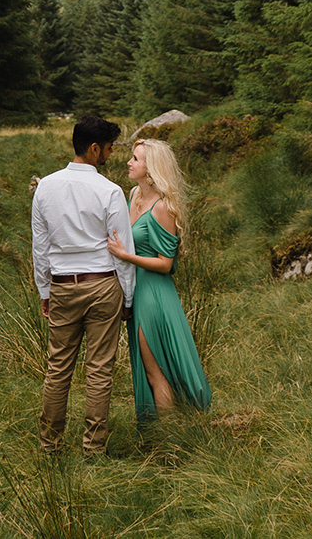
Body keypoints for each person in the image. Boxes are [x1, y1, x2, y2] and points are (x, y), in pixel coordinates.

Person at [30, 115, 134, 456]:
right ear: (93, 149)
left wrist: (44, 290)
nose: (110, 155)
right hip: (104, 286)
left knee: (58, 367)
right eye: (107, 149)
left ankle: (50, 445)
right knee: (99, 369)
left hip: (61, 285)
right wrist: (128, 298)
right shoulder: (110, 191)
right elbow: (123, 251)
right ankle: (93, 449)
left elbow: (40, 245)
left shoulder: (45, 186)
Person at [106, 136, 211, 420]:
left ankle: (170, 441)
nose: (129, 162)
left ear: (151, 170)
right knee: (151, 368)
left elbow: (165, 264)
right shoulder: (133, 195)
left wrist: (126, 257)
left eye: (136, 159)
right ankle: (167, 430)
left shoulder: (163, 208)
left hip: (154, 295)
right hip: (136, 291)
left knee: (156, 371)